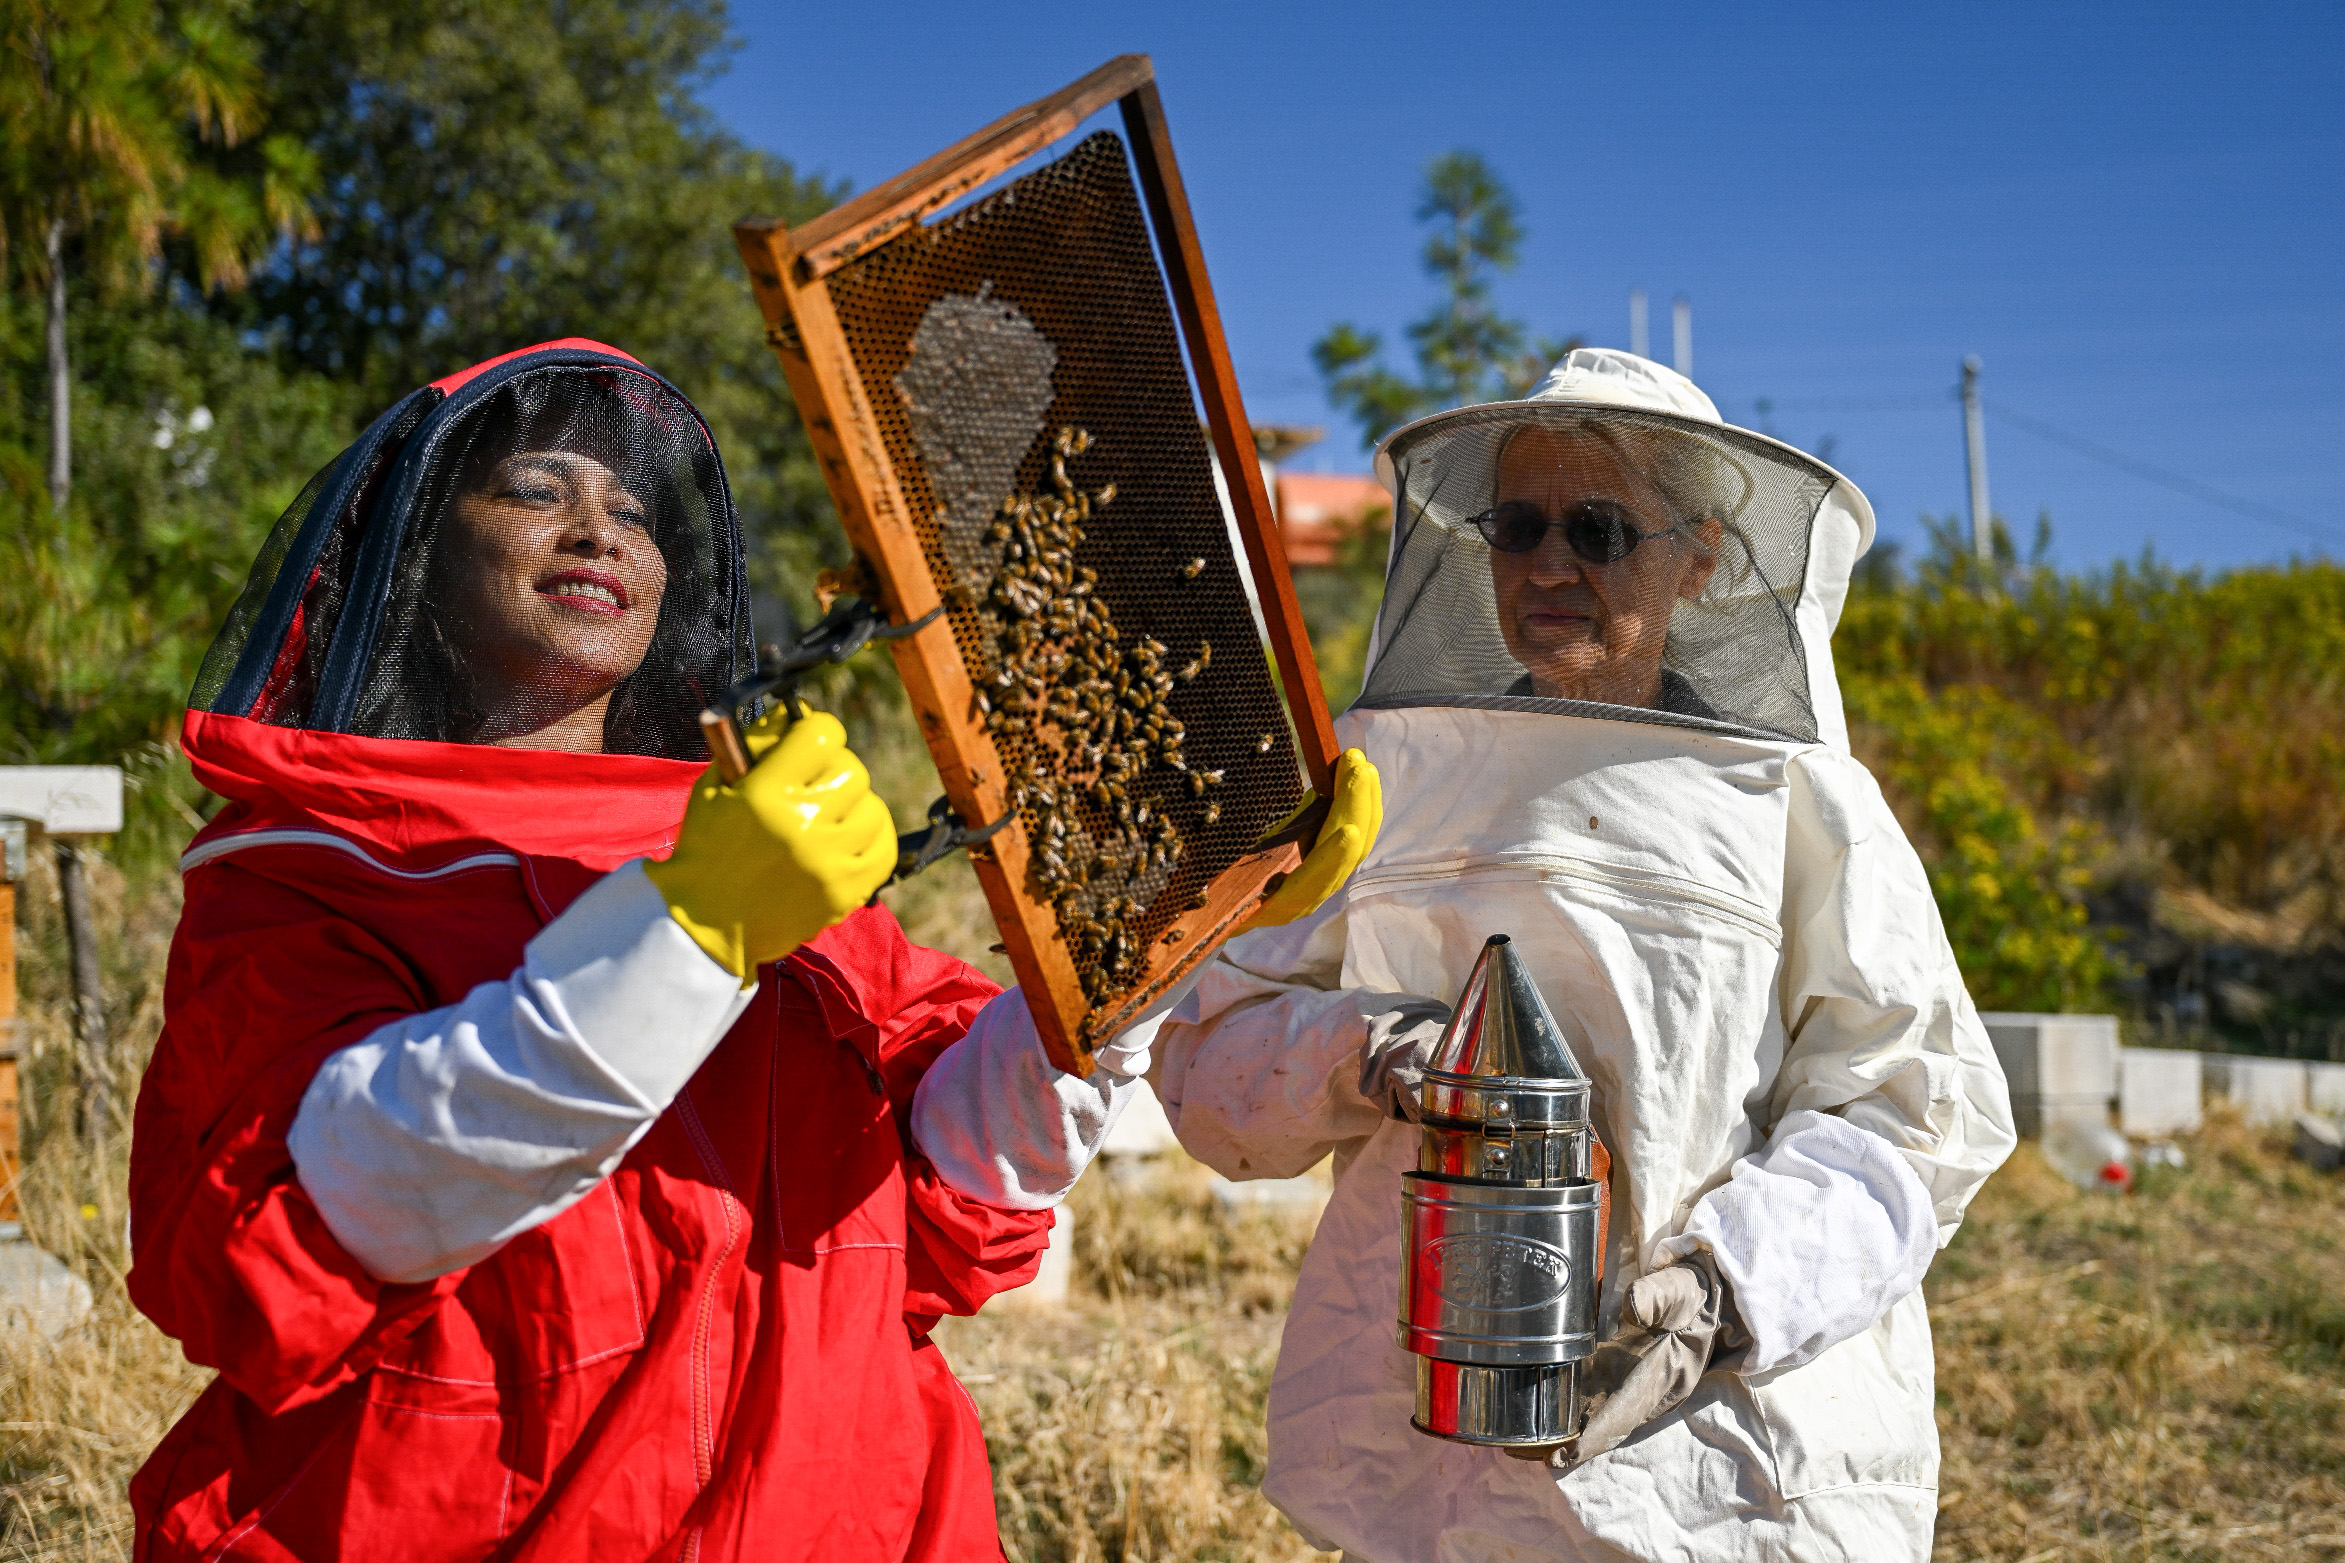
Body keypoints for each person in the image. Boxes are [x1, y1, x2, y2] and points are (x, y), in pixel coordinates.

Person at [126, 338, 1377, 1561]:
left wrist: (1139, 945)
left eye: (631, 507)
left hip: (845, 1511)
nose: (599, 529)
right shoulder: (311, 876)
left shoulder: (775, 863)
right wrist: (689, 932)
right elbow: (318, 1219)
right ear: (413, 566)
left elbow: (956, 1201)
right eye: (531, 489)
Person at [1148, 348, 2016, 1561]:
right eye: (1517, 523)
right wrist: (1371, 1052)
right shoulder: (1378, 776)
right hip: (1426, 1449)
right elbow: (1205, 1059)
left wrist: (1720, 1296)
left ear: (1698, 558)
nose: (1549, 563)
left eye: (1598, 528)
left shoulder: (1795, 798)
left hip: (1713, 1461)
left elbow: (1911, 1114)